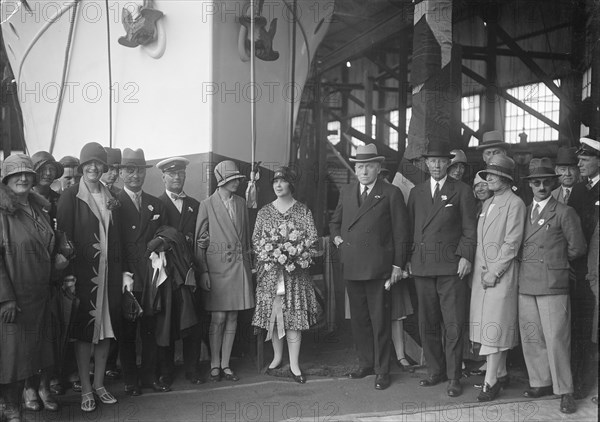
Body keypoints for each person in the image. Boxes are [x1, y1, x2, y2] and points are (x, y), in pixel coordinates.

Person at [329, 144, 410, 391]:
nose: (363, 171)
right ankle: (366, 363)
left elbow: (401, 233)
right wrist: (338, 240)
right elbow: (335, 222)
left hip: (378, 268)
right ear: (355, 169)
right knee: (360, 320)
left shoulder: (391, 192)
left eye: (368, 166)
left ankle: (382, 370)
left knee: (380, 321)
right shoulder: (347, 191)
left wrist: (397, 264)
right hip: (353, 265)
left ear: (378, 168)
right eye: (360, 166)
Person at [407, 140, 477, 397]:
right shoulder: (417, 192)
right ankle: (434, 371)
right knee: (428, 322)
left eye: (441, 161)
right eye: (432, 161)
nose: (436, 165)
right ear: (426, 164)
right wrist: (407, 260)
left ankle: (454, 376)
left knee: (453, 324)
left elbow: (470, 229)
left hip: (451, 268)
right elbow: (411, 229)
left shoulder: (462, 190)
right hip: (423, 266)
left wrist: (466, 256)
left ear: (449, 164)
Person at [56, 142, 122, 412]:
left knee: (106, 329)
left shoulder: (111, 196)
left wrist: (124, 272)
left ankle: (99, 385)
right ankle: (85, 388)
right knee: (85, 333)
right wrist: (69, 277)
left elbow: (117, 239)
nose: (94, 167)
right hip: (84, 276)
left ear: (104, 166)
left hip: (111, 275)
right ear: (82, 167)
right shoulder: (71, 196)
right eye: (88, 163)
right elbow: (63, 240)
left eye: (98, 163)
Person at [518, 158, 586, 414]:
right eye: (537, 182)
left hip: (553, 283)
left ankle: (565, 391)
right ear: (530, 185)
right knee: (532, 337)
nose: (542, 187)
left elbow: (578, 248)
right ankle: (540, 382)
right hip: (526, 283)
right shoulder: (524, 211)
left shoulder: (565, 212)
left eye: (547, 182)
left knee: (557, 338)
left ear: (553, 183)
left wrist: (555, 263)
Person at [0, 154, 58, 422]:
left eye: (27, 174)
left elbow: (47, 243)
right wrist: (5, 298)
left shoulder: (39, 208)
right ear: (5, 180)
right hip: (15, 296)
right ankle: (10, 406)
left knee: (33, 352)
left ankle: (29, 396)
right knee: (11, 355)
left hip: (40, 293)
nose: (23, 178)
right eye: (15, 174)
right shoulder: (2, 212)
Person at [252, 166, 320, 383]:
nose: (278, 185)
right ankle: (277, 357)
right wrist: (270, 254)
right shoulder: (264, 212)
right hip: (271, 275)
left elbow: (312, 239)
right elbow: (256, 240)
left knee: (293, 318)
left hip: (295, 276)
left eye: (282, 181)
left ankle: (294, 364)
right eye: (275, 182)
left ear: (291, 184)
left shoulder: (302, 210)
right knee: (274, 316)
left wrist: (297, 254)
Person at [470, 155, 526, 402]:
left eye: (493, 175)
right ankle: (500, 372)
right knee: (488, 327)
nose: (488, 178)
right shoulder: (488, 203)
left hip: (499, 275)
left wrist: (495, 272)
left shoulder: (515, 204)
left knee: (495, 328)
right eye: (487, 174)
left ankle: (490, 381)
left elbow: (512, 243)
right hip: (482, 276)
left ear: (506, 178)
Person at [194, 160, 255, 383]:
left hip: (238, 269)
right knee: (218, 317)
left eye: (238, 179)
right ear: (222, 181)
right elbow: (200, 242)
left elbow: (246, 238)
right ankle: (214, 363)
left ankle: (226, 364)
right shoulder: (207, 204)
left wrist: (249, 266)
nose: (237, 182)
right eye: (233, 179)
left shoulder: (241, 203)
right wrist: (203, 272)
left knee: (232, 316)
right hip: (217, 270)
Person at [116, 148, 168, 396]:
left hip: (150, 277)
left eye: (139, 170)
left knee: (150, 329)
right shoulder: (113, 202)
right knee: (127, 332)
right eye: (130, 170)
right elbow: (112, 243)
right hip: (127, 278)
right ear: (121, 173)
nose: (135, 175)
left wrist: (160, 246)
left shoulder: (155, 203)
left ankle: (149, 377)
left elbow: (166, 235)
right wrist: (123, 273)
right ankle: (130, 380)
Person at [155, 157, 203, 385]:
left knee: (193, 321)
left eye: (180, 174)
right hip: (167, 274)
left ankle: (192, 369)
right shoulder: (155, 205)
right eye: (172, 174)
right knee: (168, 321)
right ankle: (166, 371)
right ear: (163, 177)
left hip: (191, 272)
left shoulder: (196, 205)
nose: (177, 177)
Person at [567, 136, 600, 400]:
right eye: (580, 159)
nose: (580, 164)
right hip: (579, 271)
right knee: (580, 326)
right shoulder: (577, 191)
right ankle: (579, 379)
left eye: (585, 159)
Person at [31, 151, 63, 220]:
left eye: (52, 169)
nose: (48, 173)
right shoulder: (24, 200)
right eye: (42, 169)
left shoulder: (61, 201)